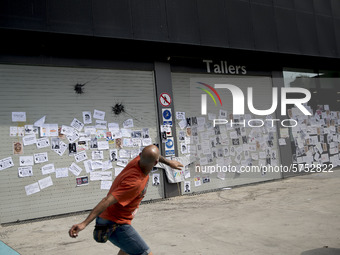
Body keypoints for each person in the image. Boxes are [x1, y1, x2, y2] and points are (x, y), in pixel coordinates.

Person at [69, 145, 183, 255]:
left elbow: (153, 155)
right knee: (144, 252)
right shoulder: (134, 182)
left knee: (128, 250)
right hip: (115, 222)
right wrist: (84, 224)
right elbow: (107, 201)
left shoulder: (139, 159)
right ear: (155, 163)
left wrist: (169, 162)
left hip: (117, 218)